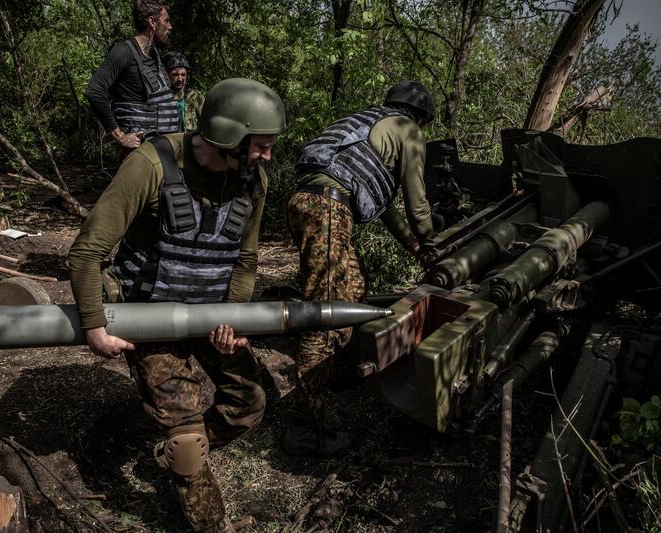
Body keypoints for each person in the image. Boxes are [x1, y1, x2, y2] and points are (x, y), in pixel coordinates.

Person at [68, 78, 286, 532]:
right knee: (188, 442)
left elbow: (246, 260)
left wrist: (233, 316)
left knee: (249, 402)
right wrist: (94, 326)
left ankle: (177, 450)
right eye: (261, 146)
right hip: (150, 316)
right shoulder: (150, 164)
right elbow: (87, 250)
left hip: (208, 315)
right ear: (230, 137)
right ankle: (199, 489)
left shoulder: (253, 180)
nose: (268, 156)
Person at [284, 80, 438, 456]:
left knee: (352, 288)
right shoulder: (408, 129)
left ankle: (337, 373)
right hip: (329, 208)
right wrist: (434, 243)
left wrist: (415, 245)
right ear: (419, 116)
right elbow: (417, 201)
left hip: (308, 201)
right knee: (324, 312)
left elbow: (383, 206)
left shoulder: (368, 124)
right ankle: (304, 429)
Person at [85, 0, 181, 156]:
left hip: (164, 150)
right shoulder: (123, 51)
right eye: (167, 21)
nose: (170, 27)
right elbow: (95, 91)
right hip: (140, 155)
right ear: (152, 22)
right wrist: (119, 136)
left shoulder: (154, 55)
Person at [163, 51, 206, 132]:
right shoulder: (159, 97)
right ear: (166, 75)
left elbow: (208, 121)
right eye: (175, 75)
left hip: (189, 142)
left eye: (183, 75)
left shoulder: (194, 96)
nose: (180, 79)